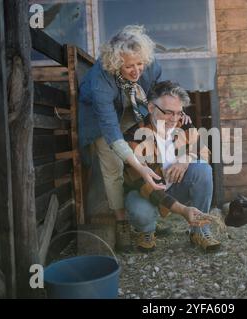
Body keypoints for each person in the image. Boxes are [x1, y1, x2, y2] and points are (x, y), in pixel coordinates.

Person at [78, 25, 190, 251]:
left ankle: (147, 217)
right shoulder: (101, 80)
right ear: (115, 62)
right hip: (100, 114)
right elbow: (110, 127)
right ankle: (122, 222)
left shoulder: (150, 65)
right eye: (129, 66)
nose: (136, 70)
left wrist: (174, 111)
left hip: (130, 105)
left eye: (139, 64)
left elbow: (158, 95)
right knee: (113, 164)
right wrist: (139, 168)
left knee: (147, 148)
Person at [122, 81, 221, 252]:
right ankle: (146, 231)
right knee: (139, 210)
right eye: (168, 113)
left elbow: (205, 152)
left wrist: (186, 159)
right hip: (146, 192)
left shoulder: (183, 123)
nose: (174, 119)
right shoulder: (133, 136)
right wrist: (183, 210)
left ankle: (199, 230)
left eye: (178, 113)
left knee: (203, 169)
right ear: (151, 108)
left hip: (175, 186)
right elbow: (145, 186)